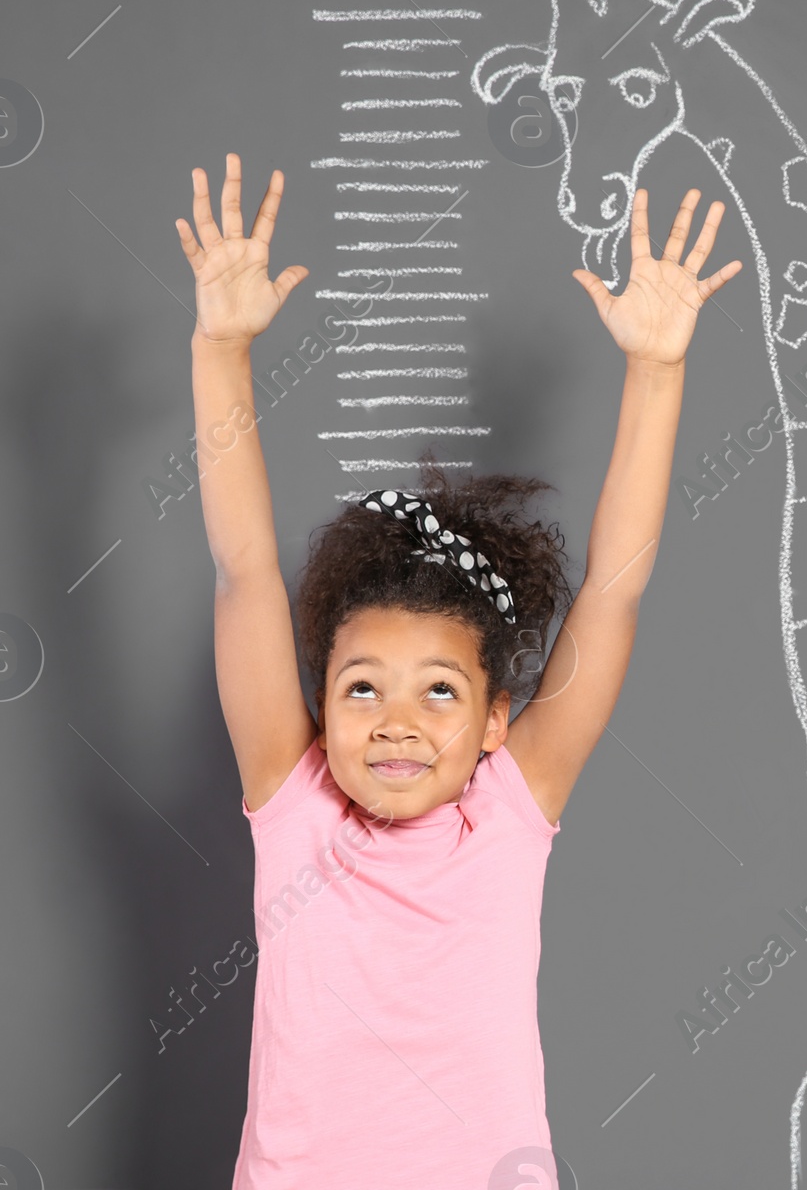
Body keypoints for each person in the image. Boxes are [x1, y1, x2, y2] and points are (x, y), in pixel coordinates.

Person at [175, 152, 740, 1188]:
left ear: (495, 720)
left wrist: (657, 371)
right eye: (362, 687)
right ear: (319, 708)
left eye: (439, 688)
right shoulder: (291, 799)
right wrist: (221, 348)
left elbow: (610, 592)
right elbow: (245, 568)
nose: (396, 720)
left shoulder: (512, 809)